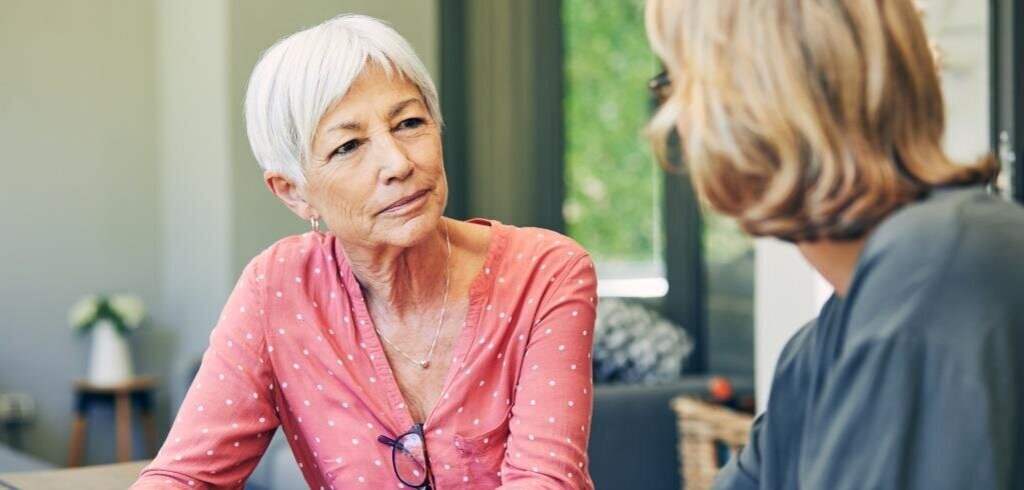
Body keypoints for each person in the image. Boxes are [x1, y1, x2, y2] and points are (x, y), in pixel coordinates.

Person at [132, 14, 597, 489]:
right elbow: (186, 474)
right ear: (294, 192)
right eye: (349, 145)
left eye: (410, 123)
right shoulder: (276, 288)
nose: (398, 163)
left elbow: (545, 481)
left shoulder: (545, 272)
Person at [644, 0, 1024, 488]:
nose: (674, 121)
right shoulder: (818, 350)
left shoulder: (934, 278)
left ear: (755, 100)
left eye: (679, 83)